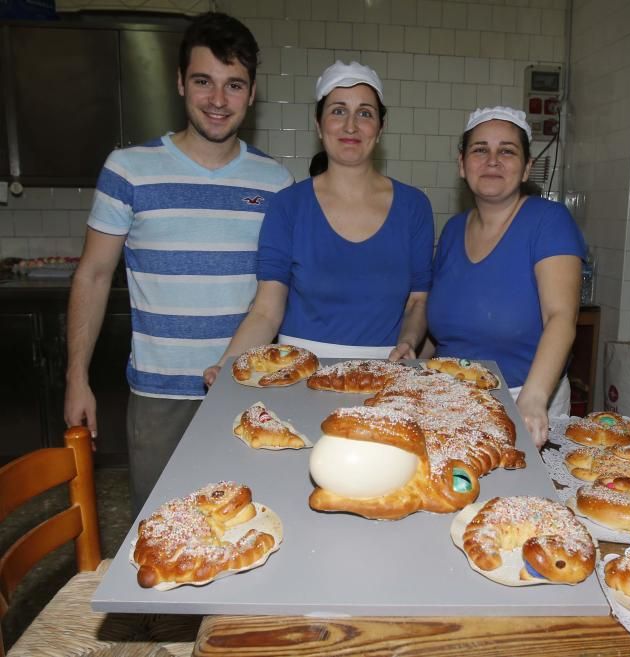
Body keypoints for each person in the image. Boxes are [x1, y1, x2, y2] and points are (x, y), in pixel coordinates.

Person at [64, 12, 294, 517]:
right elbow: (94, 274)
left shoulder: (275, 183)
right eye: (203, 82)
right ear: (179, 84)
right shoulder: (128, 169)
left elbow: (275, 295)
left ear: (252, 93)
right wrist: (76, 377)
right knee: (163, 530)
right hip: (159, 396)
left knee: (244, 524)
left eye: (234, 85)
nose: (218, 100)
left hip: (244, 391)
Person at [204, 60, 433, 383]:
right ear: (318, 123)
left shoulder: (413, 207)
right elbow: (267, 311)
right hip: (297, 373)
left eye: (365, 113)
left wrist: (408, 342)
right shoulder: (289, 205)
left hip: (384, 372)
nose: (351, 126)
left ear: (380, 128)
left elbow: (417, 300)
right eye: (338, 111)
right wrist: (227, 363)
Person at [426, 107, 586, 449]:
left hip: (524, 401)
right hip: (449, 403)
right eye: (480, 149)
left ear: (527, 167)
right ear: (462, 163)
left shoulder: (548, 221)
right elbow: (439, 327)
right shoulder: (453, 230)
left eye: (507, 151)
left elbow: (561, 318)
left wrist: (533, 399)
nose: (492, 160)